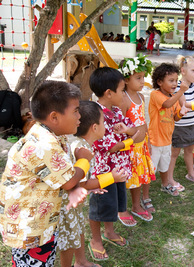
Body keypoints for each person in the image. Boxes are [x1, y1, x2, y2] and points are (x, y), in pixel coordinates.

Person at [0, 81, 89, 266]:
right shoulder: (44, 144)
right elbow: (69, 181)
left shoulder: (51, 135)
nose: (80, 117)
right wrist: (84, 160)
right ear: (54, 117)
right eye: (75, 111)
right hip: (29, 229)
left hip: (41, 223)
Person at [58, 101, 128, 267]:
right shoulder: (83, 150)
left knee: (78, 230)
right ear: (95, 128)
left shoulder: (83, 145)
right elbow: (80, 182)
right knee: (68, 240)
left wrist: (91, 186)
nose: (106, 125)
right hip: (66, 206)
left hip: (73, 203)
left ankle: (81, 262)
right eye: (104, 122)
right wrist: (112, 178)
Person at [88, 67, 140, 261]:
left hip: (119, 170)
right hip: (103, 173)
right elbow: (109, 147)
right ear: (109, 93)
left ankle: (109, 232)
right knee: (99, 207)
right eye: (121, 90)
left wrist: (128, 131)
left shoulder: (116, 111)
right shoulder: (95, 114)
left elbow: (132, 129)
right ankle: (95, 240)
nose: (124, 95)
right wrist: (130, 139)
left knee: (113, 205)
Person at [118, 55, 156, 221]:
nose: (142, 81)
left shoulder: (141, 97)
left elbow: (143, 121)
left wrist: (146, 139)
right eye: (138, 78)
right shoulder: (123, 99)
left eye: (143, 77)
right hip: (131, 147)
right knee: (134, 178)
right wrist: (136, 134)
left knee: (144, 174)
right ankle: (134, 206)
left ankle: (141, 200)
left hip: (142, 145)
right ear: (126, 79)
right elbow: (121, 127)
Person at [167, 55, 194, 186]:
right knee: (174, 153)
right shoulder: (178, 86)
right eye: (193, 70)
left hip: (193, 123)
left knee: (189, 150)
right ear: (183, 71)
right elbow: (184, 105)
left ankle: (191, 173)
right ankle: (169, 178)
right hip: (180, 126)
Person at [148, 63, 188, 197]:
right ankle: (144, 195)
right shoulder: (155, 95)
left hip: (166, 140)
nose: (175, 84)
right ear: (159, 82)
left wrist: (181, 113)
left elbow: (175, 118)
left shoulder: (173, 97)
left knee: (164, 166)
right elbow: (166, 105)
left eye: (176, 81)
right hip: (154, 141)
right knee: (150, 169)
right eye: (171, 81)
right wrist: (181, 92)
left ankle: (165, 184)